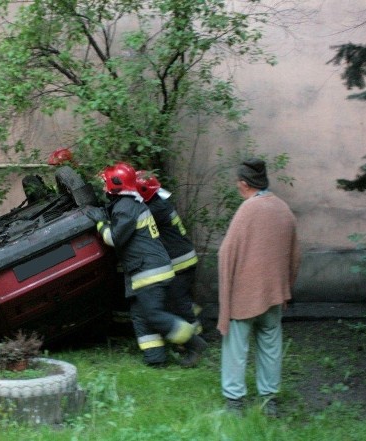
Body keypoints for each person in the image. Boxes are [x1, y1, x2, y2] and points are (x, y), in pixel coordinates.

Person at [85, 162, 206, 367]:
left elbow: (114, 238)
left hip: (149, 271)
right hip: (145, 270)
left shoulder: (126, 208)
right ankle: (155, 359)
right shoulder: (128, 204)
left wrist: (100, 222)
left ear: (116, 184)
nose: (104, 186)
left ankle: (194, 342)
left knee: (155, 315)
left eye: (106, 182)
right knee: (140, 316)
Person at [217, 158, 301, 416]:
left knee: (236, 349)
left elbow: (225, 254)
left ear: (244, 183)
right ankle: (269, 402)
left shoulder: (247, 211)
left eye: (237, 182)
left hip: (244, 296)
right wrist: (286, 287)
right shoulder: (283, 208)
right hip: (274, 294)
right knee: (270, 346)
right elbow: (296, 256)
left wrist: (226, 299)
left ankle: (234, 404)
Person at [136, 171, 206, 367]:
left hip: (179, 261)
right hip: (183, 257)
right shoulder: (159, 201)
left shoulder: (154, 209)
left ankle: (194, 341)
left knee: (179, 301)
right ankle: (193, 335)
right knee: (180, 299)